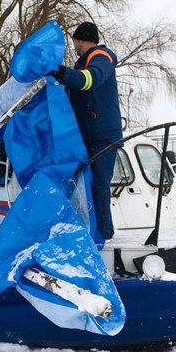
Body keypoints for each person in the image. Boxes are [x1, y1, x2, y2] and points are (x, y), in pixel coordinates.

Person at [49, 21, 122, 240]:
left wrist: (63, 74)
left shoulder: (101, 57)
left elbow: (90, 80)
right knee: (88, 187)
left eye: (74, 41)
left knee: (98, 186)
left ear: (80, 39)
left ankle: (102, 236)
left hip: (101, 136)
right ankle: (92, 233)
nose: (74, 46)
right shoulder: (83, 64)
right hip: (88, 135)